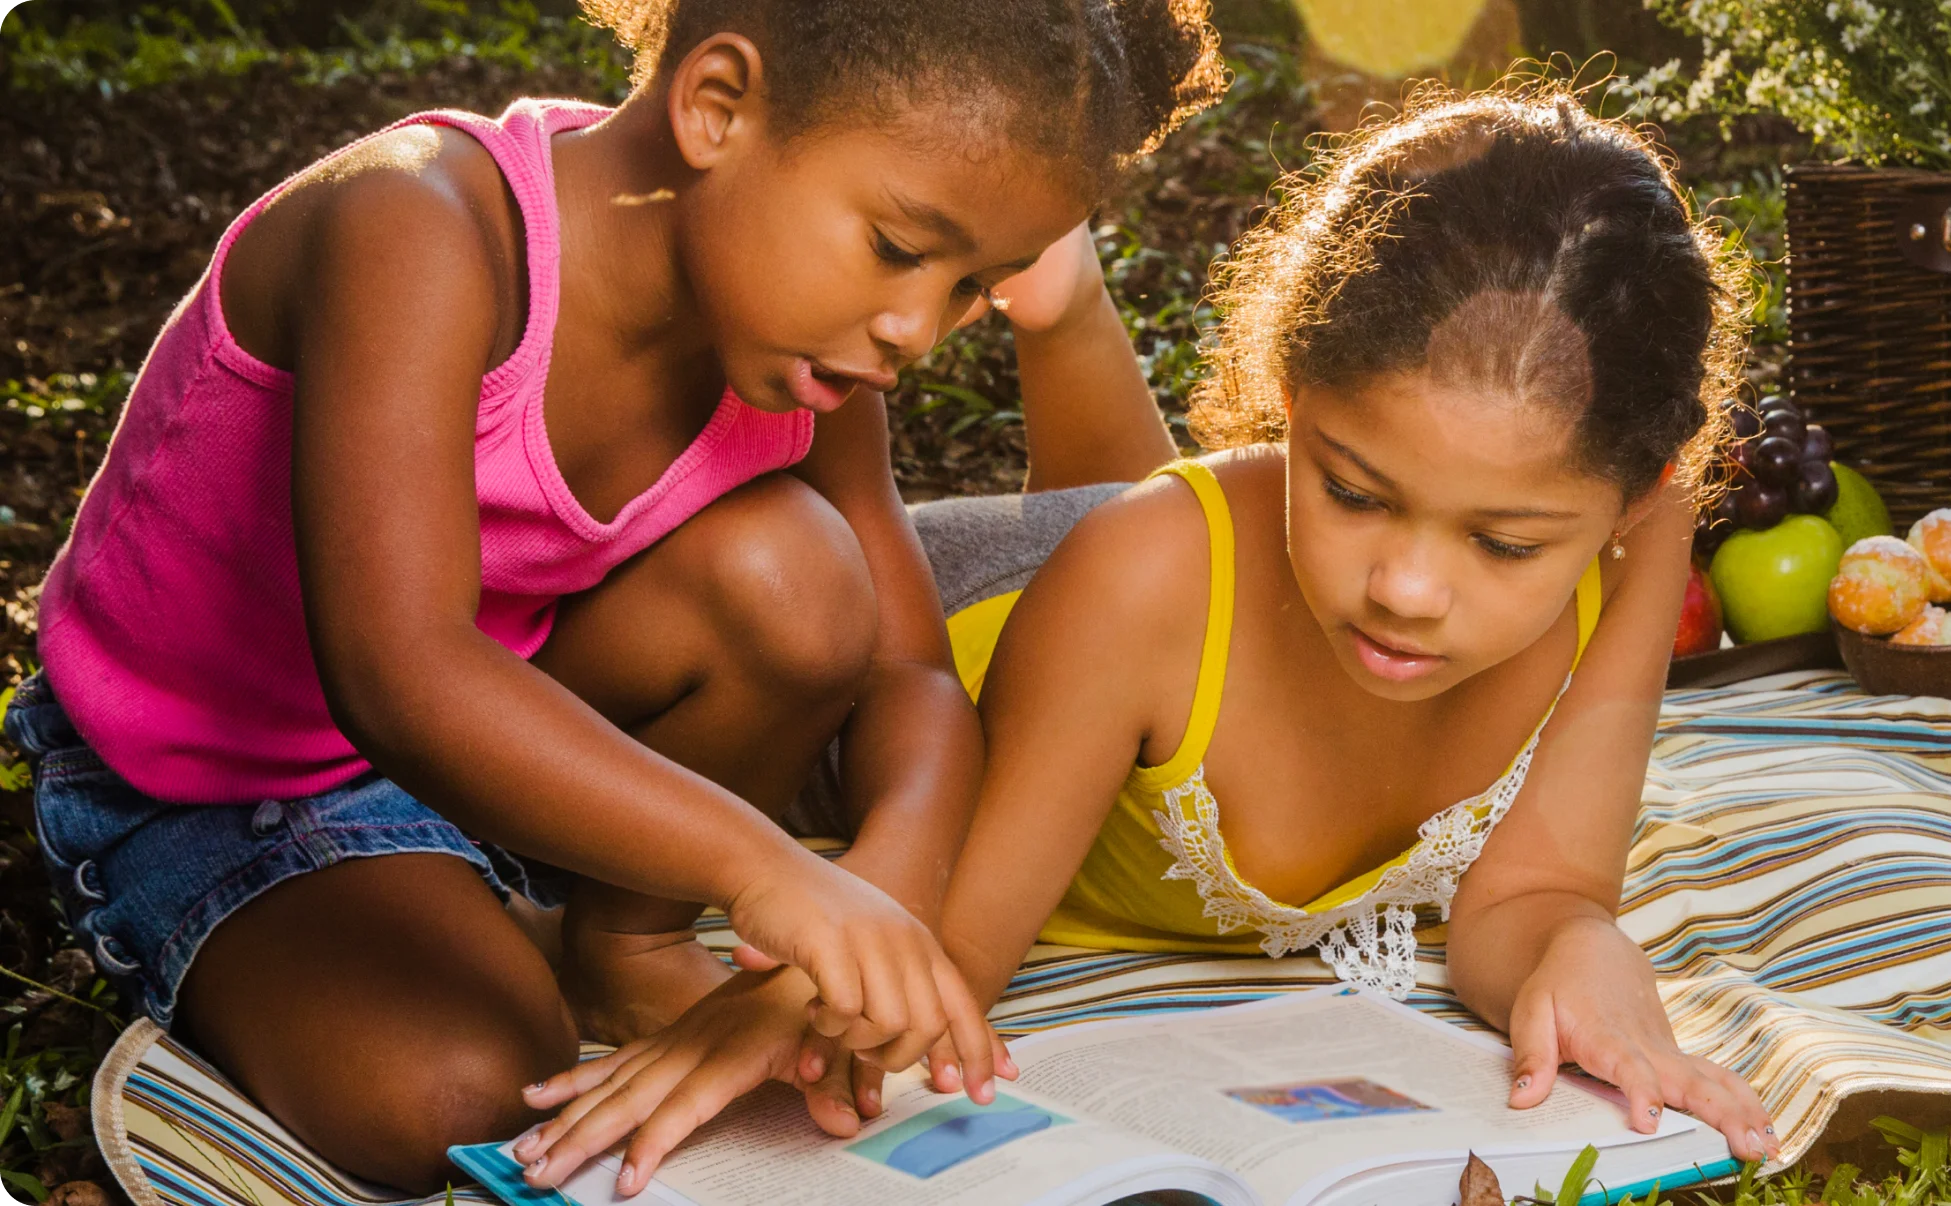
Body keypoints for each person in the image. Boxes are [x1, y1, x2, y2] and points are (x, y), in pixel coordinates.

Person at [0, 0, 1221, 1190]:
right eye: (901, 248)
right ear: (717, 104)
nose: (917, 327)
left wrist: (879, 903)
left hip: (501, 725)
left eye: (973, 286)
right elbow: (401, 671)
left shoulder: (811, 345)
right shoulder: (417, 223)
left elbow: (905, 671)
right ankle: (478, 925)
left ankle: (620, 941)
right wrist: (770, 873)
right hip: (209, 775)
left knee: (796, 577)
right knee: (456, 1097)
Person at [507, 85, 1783, 1189]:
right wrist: (783, 1011)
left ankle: (1073, 315)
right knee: (1053, 545)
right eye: (1351, 487)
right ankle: (1067, 314)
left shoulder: (1632, 551)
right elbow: (959, 938)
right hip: (939, 637)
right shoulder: (1148, 574)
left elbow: (1535, 893)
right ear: (1293, 400)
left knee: (1156, 533)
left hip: (1163, 590)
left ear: (1635, 499)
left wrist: (1582, 951)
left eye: (1504, 547)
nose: (1407, 587)